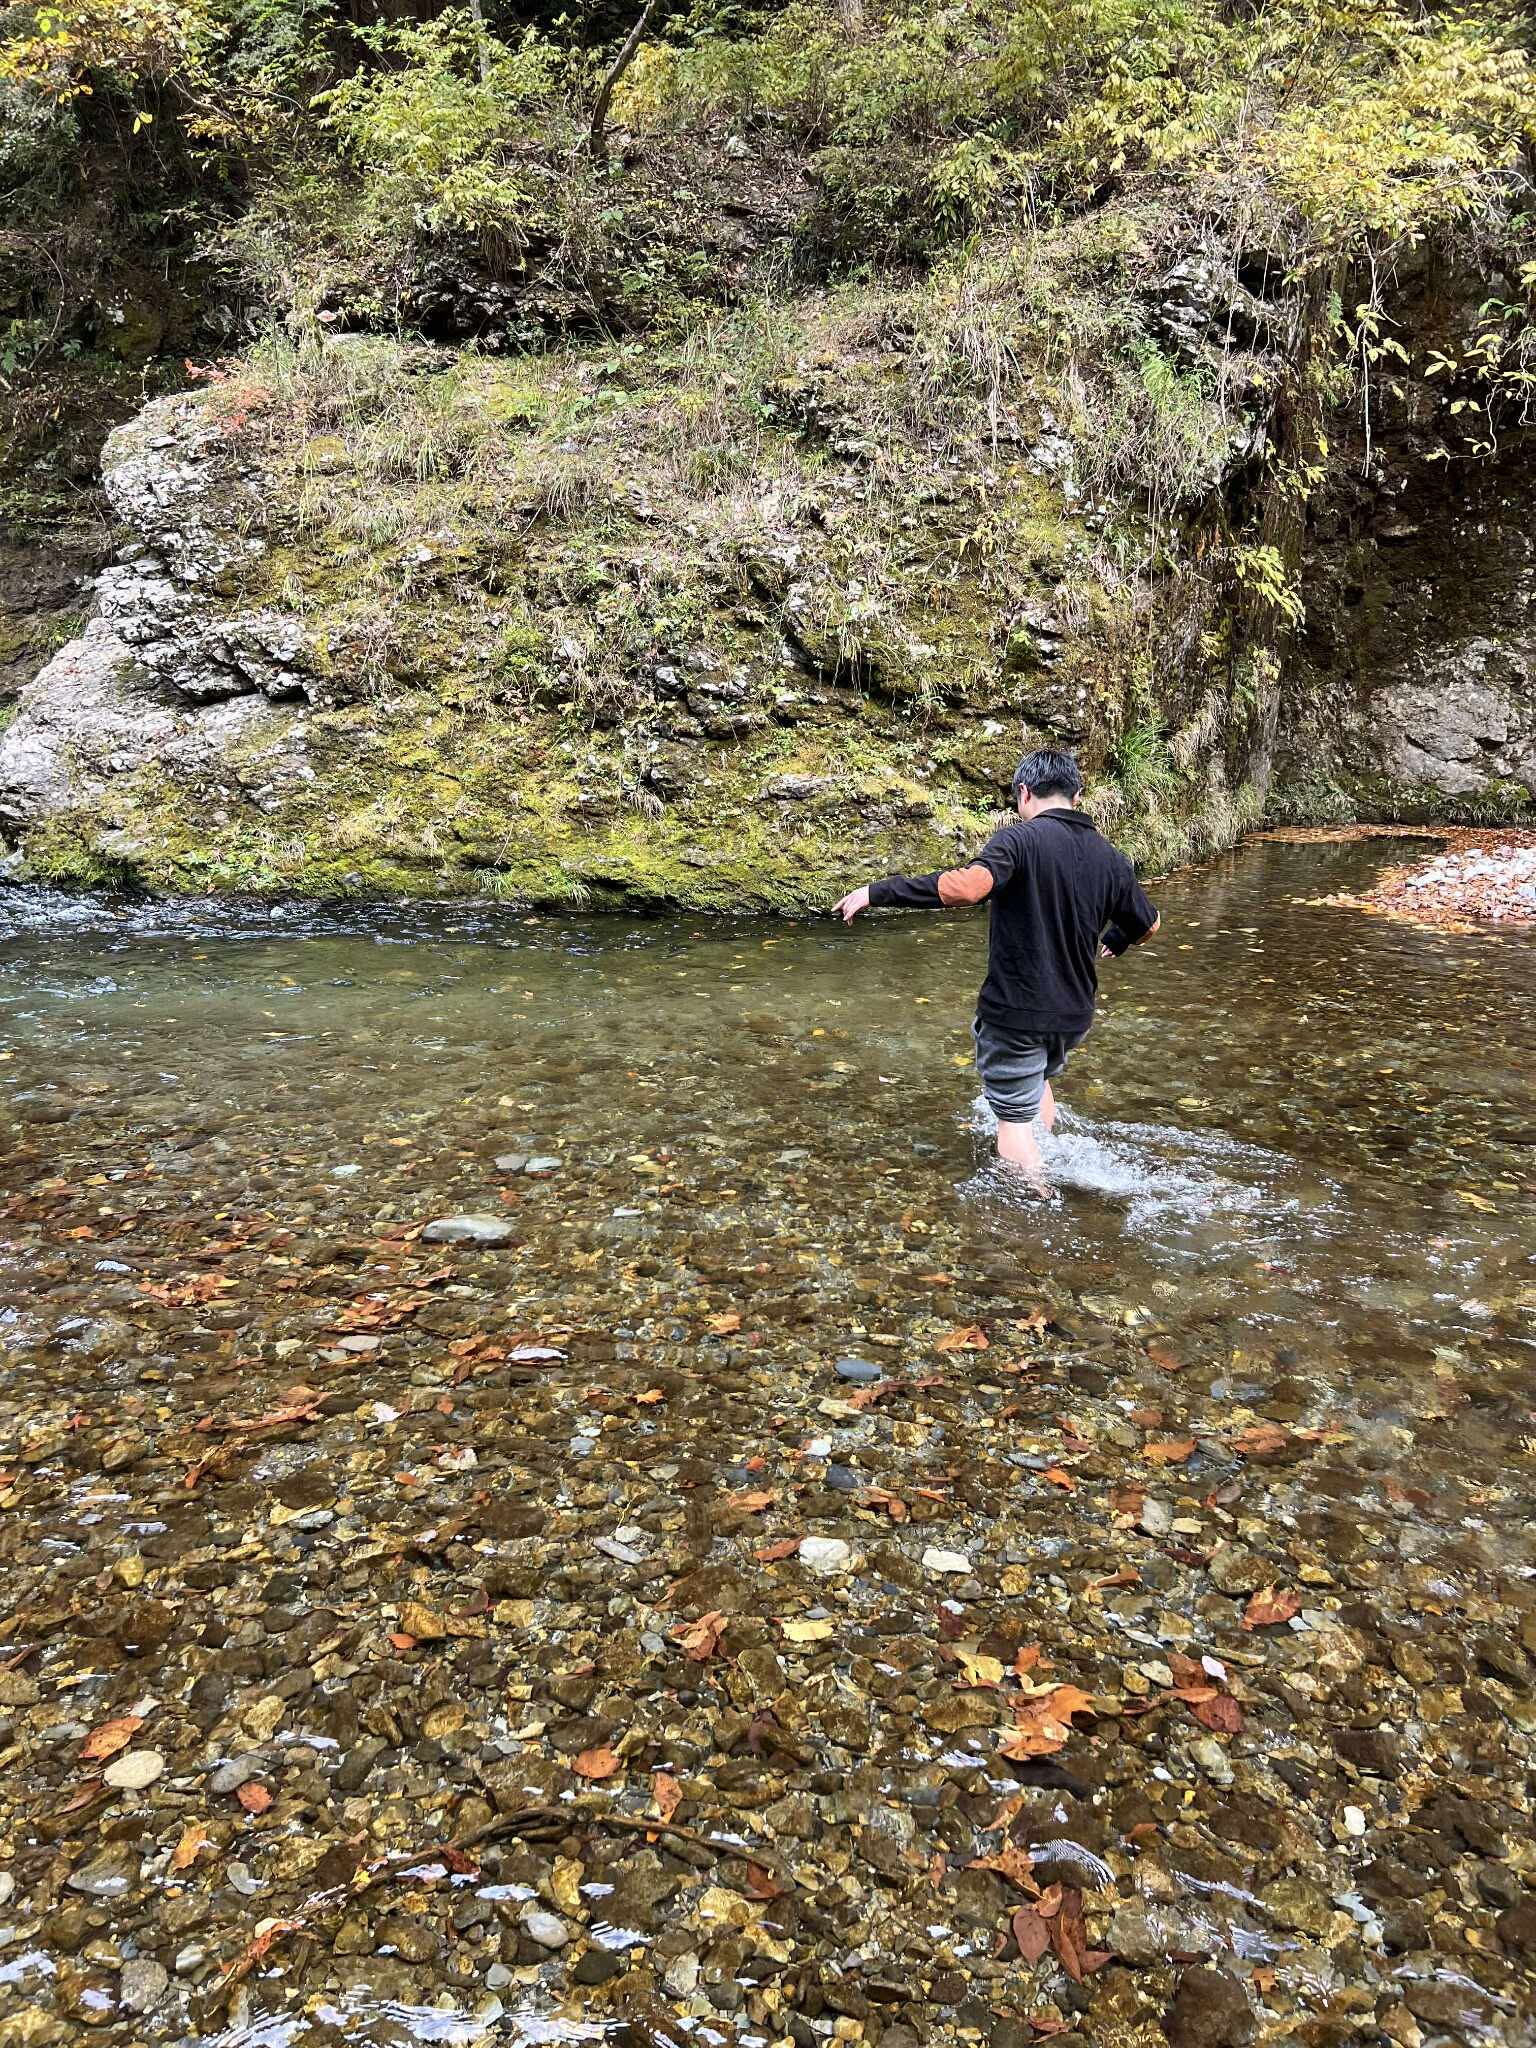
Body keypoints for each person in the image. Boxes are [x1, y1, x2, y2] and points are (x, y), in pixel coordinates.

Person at [832, 747, 1160, 1184]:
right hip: (1073, 1014)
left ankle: (1035, 1207)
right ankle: (1048, 1156)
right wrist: (1116, 939)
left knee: (1012, 1120)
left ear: (1024, 793)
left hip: (1018, 1011)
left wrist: (880, 891)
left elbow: (967, 889)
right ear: (1076, 796)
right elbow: (1148, 923)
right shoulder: (1109, 857)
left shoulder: (1019, 841)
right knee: (1038, 1078)